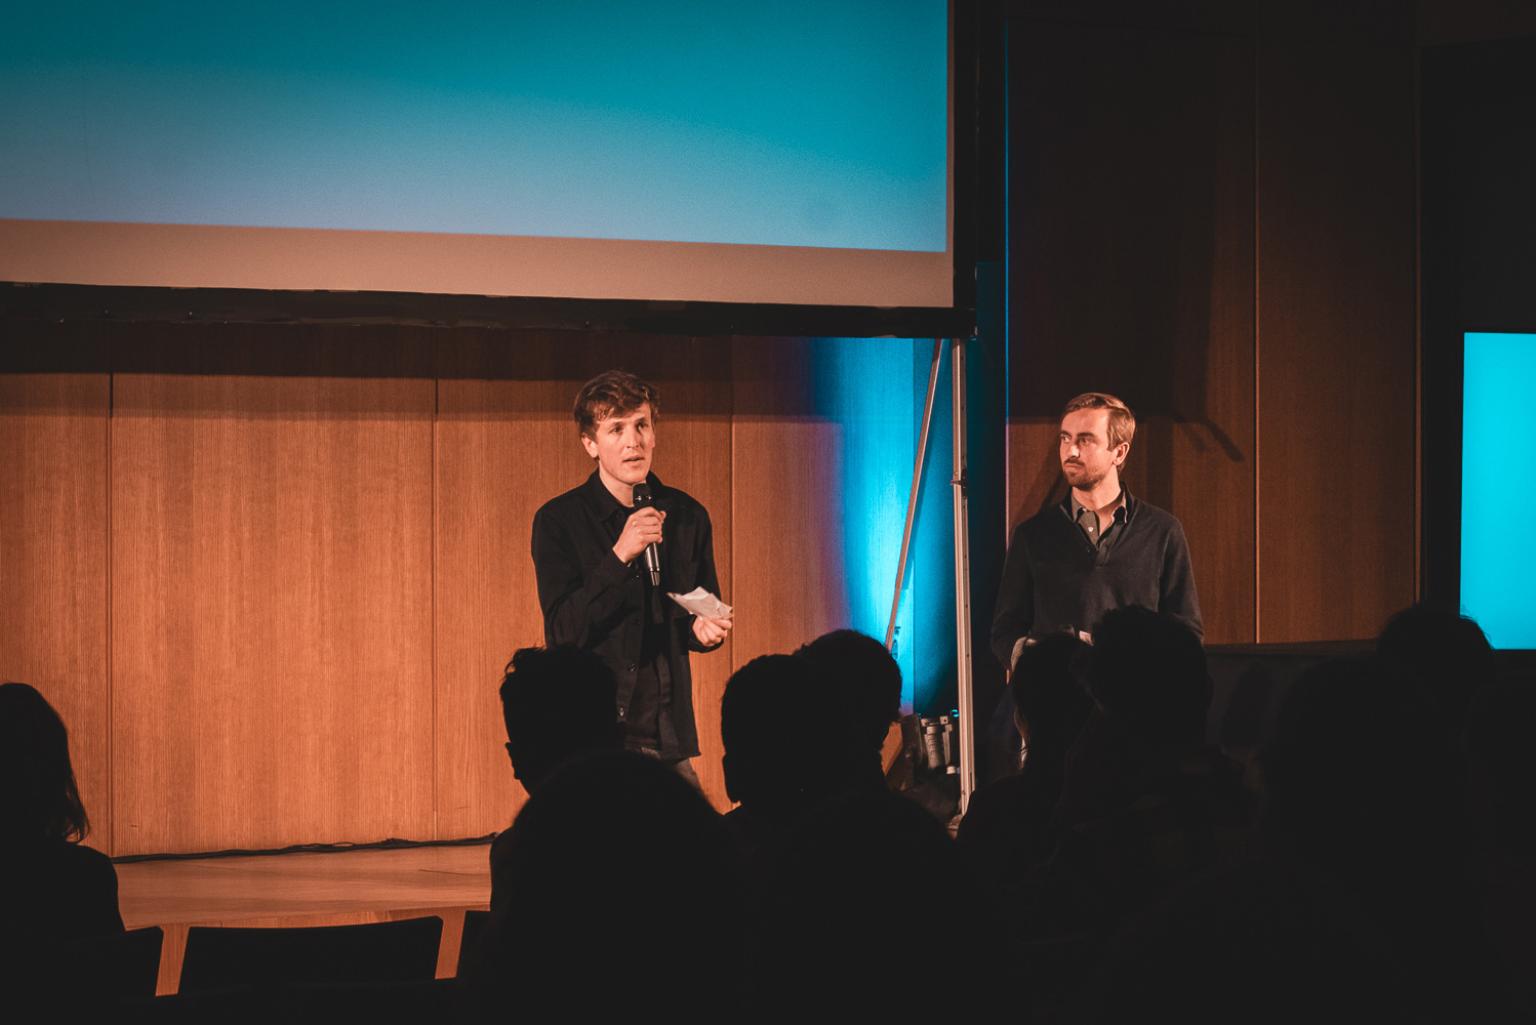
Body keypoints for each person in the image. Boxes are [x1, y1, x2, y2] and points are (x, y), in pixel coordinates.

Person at [530, 370, 730, 781]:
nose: (632, 441)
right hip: (595, 734)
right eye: (616, 429)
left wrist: (705, 630)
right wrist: (620, 554)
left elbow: (696, 610)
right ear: (590, 444)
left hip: (666, 729)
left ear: (654, 433)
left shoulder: (687, 515)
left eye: (641, 425)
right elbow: (563, 632)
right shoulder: (559, 521)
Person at [990, 392, 1201, 673]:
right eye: (1065, 438)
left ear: (1120, 452)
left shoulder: (1162, 531)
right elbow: (1004, 632)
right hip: (1061, 705)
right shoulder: (1034, 535)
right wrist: (1041, 656)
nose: (1071, 451)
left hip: (1134, 706)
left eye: (1085, 440)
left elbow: (1187, 632)